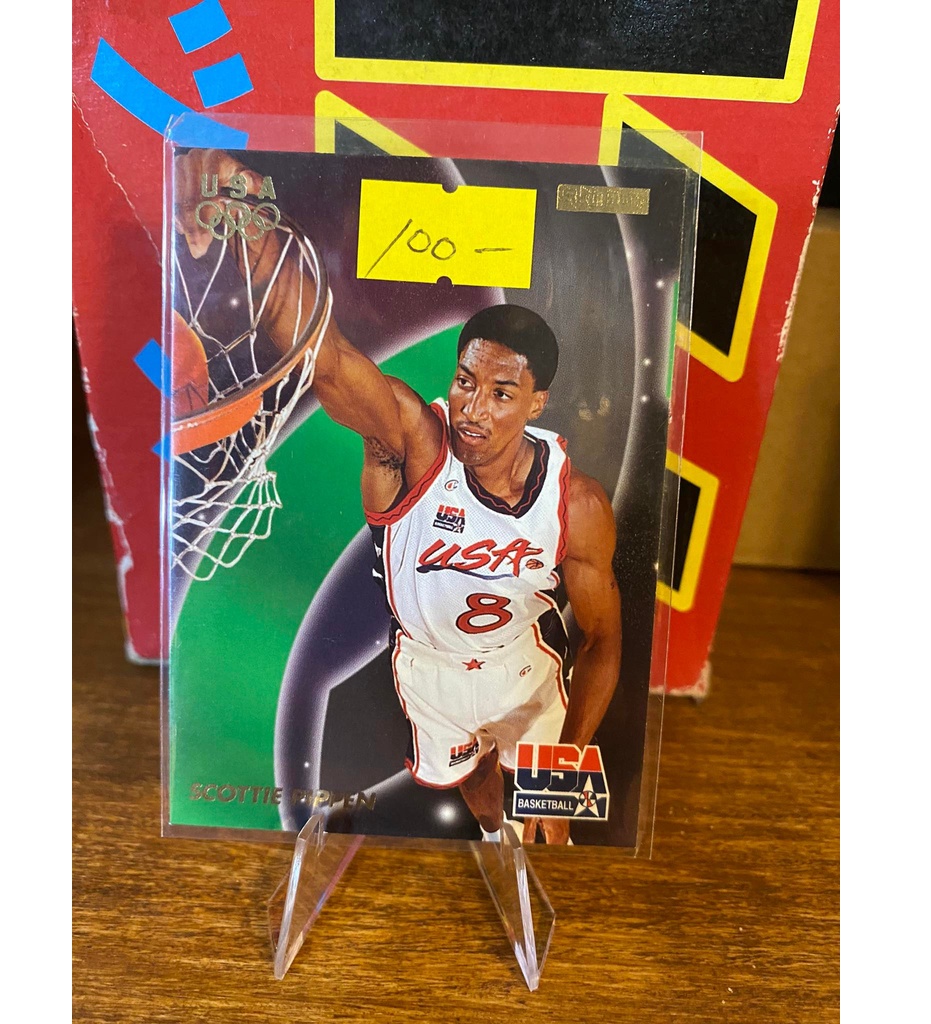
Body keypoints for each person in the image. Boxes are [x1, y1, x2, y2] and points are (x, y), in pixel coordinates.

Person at [175, 151, 622, 844]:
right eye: (466, 382)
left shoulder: (576, 503)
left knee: (549, 828)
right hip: (427, 669)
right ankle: (494, 835)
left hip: (520, 669)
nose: (473, 407)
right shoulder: (415, 443)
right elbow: (326, 359)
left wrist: (568, 759)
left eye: (502, 394)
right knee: (476, 787)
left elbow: (603, 639)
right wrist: (256, 235)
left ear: (537, 403)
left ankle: (535, 842)